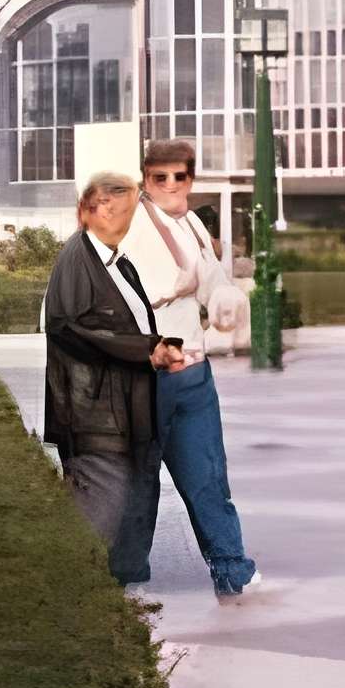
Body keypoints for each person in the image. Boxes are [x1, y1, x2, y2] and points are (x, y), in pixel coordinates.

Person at [114, 139, 262, 600]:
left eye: (181, 176)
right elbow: (114, 294)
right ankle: (122, 576)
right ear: (146, 179)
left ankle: (232, 568)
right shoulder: (127, 225)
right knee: (138, 481)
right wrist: (169, 291)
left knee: (209, 476)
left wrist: (224, 302)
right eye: (161, 178)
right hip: (148, 376)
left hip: (194, 375)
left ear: (192, 179)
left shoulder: (195, 225)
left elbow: (215, 284)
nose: (172, 186)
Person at [44, 171, 191, 590]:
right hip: (95, 416)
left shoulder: (116, 261)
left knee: (137, 500)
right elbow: (71, 326)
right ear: (99, 209)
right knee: (102, 510)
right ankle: (82, 594)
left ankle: (122, 588)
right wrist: (147, 349)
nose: (133, 220)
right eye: (128, 210)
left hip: (127, 411)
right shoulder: (78, 258)